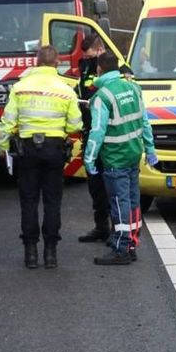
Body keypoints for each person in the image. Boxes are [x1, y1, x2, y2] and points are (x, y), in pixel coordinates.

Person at [0, 45, 83, 270]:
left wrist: (2, 145)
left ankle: (31, 253)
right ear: (57, 63)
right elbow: (76, 124)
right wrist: (61, 130)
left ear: (36, 61)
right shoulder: (66, 89)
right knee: (52, 201)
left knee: (29, 201)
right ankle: (51, 253)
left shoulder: (20, 87)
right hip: (54, 149)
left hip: (27, 150)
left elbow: (7, 121)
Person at [84, 51, 158, 265]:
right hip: (133, 153)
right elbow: (144, 122)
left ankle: (121, 248)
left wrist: (89, 159)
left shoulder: (102, 96)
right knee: (133, 201)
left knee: (119, 202)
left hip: (115, 157)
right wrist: (150, 149)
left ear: (99, 69)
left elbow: (97, 132)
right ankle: (132, 243)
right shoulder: (134, 88)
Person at [74, 36, 111, 245]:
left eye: (90, 56)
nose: (88, 60)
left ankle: (116, 229)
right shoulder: (86, 66)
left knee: (111, 185)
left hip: (108, 134)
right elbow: (83, 88)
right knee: (95, 185)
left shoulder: (116, 67)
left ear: (99, 50)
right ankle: (101, 227)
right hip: (90, 130)